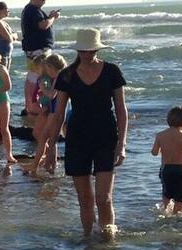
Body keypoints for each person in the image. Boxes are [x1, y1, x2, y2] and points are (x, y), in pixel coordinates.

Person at [46, 28, 128, 239]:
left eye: (91, 50)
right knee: (85, 198)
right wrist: (52, 146)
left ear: (97, 49)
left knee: (104, 198)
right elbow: (58, 113)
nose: (87, 55)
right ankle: (88, 239)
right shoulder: (68, 75)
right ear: (77, 50)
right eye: (83, 51)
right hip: (77, 138)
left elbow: (121, 109)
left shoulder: (111, 71)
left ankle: (108, 241)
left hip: (106, 136)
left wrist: (122, 143)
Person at [33, 52, 65, 173]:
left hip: (55, 112)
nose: (47, 72)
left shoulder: (60, 78)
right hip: (55, 111)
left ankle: (35, 166)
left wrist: (42, 87)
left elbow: (52, 95)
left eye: (48, 69)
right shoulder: (60, 77)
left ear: (52, 67)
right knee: (52, 139)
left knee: (43, 139)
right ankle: (51, 164)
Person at [21, 0, 58, 66]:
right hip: (38, 49)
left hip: (36, 48)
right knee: (40, 72)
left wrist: (49, 17)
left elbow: (40, 24)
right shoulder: (32, 9)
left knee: (36, 72)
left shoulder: (31, 10)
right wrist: (53, 17)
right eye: (43, 0)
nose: (44, 2)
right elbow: (43, 25)